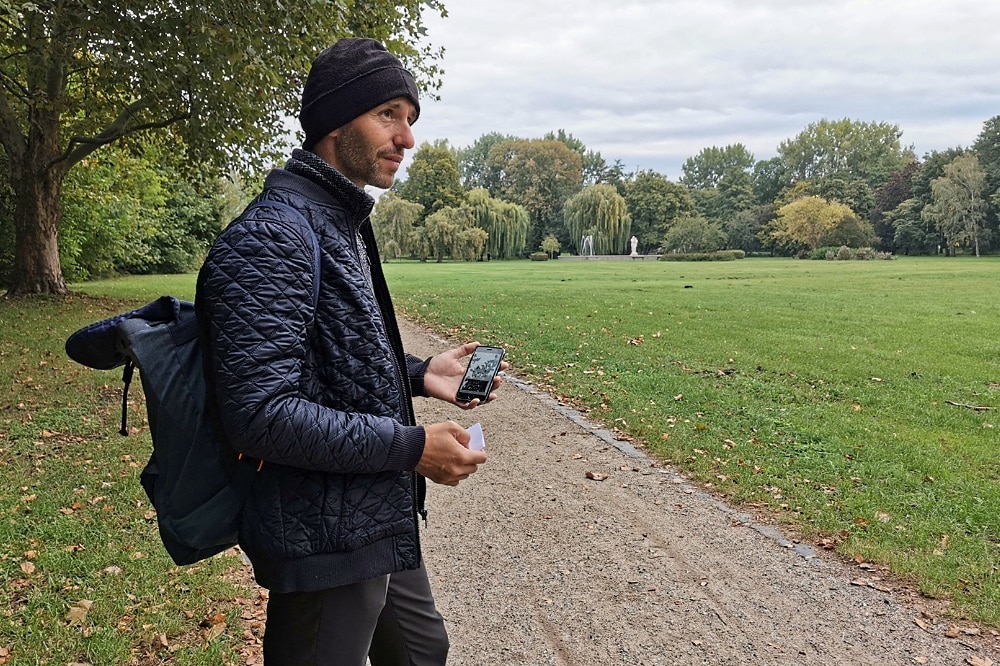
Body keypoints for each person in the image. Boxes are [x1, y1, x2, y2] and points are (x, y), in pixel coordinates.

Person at [195, 38, 502, 665]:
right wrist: (413, 447)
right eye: (389, 114)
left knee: (421, 652)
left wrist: (419, 375)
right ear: (337, 122)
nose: (407, 139)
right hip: (319, 533)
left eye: (410, 119)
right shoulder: (274, 234)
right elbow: (259, 415)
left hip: (374, 511)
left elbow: (326, 361)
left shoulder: (337, 222)